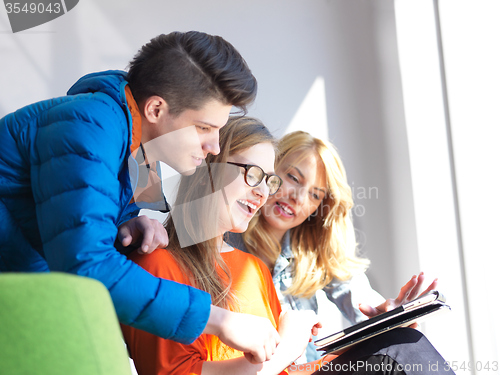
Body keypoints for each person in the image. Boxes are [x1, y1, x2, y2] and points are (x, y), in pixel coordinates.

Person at [0, 31, 280, 362]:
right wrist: (218, 320)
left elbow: (77, 228)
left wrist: (127, 229)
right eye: (204, 128)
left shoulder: (137, 149)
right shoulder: (88, 126)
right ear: (156, 108)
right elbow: (86, 266)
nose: (215, 146)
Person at [227, 131, 453, 374]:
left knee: (405, 341)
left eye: (315, 194)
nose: (298, 197)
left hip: (304, 371)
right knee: (403, 350)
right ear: (269, 171)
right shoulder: (225, 242)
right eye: (293, 177)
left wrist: (389, 316)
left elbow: (362, 298)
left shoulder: (311, 255)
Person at [121, 117, 322, 375]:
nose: (262, 193)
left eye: (269, 181)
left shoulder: (255, 270)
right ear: (208, 171)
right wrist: (287, 349)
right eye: (252, 174)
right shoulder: (156, 266)